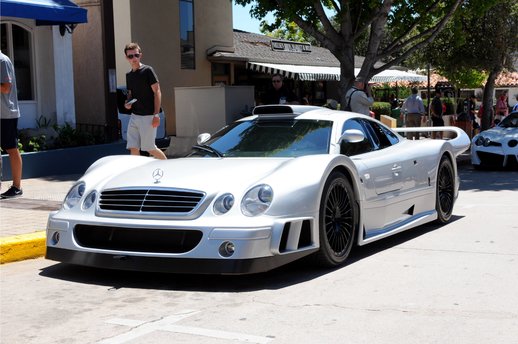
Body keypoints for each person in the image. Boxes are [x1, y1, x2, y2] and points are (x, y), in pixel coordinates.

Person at [123, 43, 167, 160]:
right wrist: (128, 103)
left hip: (148, 117)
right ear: (127, 58)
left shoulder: (148, 70)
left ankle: (168, 166)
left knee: (150, 148)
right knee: (133, 147)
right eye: (131, 56)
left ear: (140, 55)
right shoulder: (129, 75)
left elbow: (157, 92)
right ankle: (136, 173)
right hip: (134, 116)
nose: (134, 58)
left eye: (136, 55)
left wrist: (156, 114)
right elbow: (131, 95)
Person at [1, 50, 23, 198]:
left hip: (6, 114)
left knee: (11, 148)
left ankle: (16, 187)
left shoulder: (2, 61)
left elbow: (6, 87)